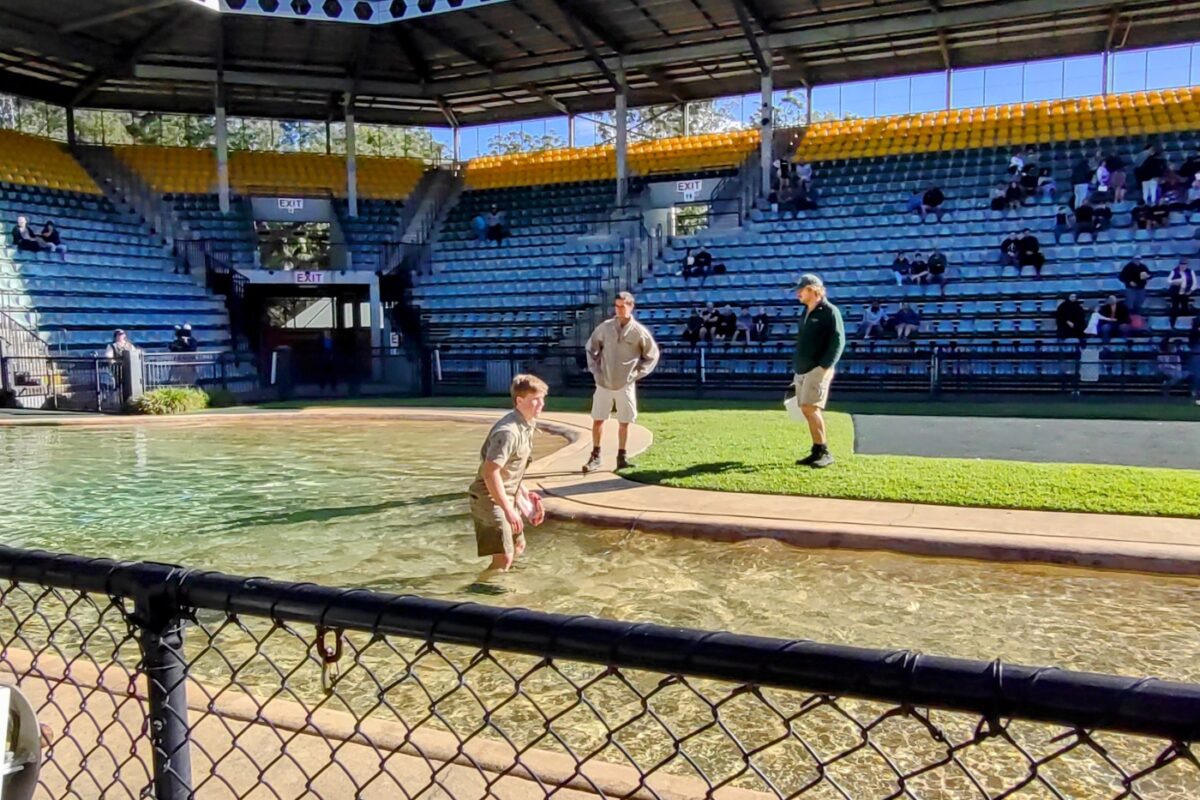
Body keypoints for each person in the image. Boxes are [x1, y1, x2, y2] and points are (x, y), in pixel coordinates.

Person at [468, 374, 548, 573]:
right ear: (519, 401)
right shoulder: (508, 432)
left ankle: (501, 582)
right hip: (489, 497)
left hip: (506, 494)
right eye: (535, 399)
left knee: (518, 546)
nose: (541, 404)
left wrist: (524, 494)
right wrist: (508, 510)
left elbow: (510, 469)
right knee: (504, 557)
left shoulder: (527, 425)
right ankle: (479, 589)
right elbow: (490, 473)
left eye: (542, 398)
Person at [583, 291, 660, 473]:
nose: (619, 309)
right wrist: (595, 371)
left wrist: (638, 374)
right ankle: (596, 455)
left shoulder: (638, 331)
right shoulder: (605, 327)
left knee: (624, 421)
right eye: (617, 306)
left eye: (623, 306)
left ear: (631, 306)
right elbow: (591, 348)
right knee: (598, 419)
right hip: (604, 382)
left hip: (625, 383)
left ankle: (622, 457)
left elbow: (652, 355)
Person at [791, 274, 845, 469]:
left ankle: (824, 451)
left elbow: (838, 341)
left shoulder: (830, 312)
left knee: (811, 407)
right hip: (803, 367)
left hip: (817, 368)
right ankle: (817, 449)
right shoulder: (805, 311)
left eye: (801, 290)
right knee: (806, 408)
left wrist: (825, 366)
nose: (798, 293)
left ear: (813, 289)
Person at [1167, 259, 1196, 328]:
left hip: (1185, 293)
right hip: (1175, 293)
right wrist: (1174, 282)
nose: (1183, 266)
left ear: (1187, 265)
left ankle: (1185, 324)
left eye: (1184, 264)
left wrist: (1191, 290)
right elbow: (1168, 280)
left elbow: (1194, 283)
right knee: (1174, 308)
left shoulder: (1190, 271)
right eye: (1181, 264)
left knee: (1185, 308)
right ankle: (1173, 324)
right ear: (1179, 265)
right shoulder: (1174, 271)